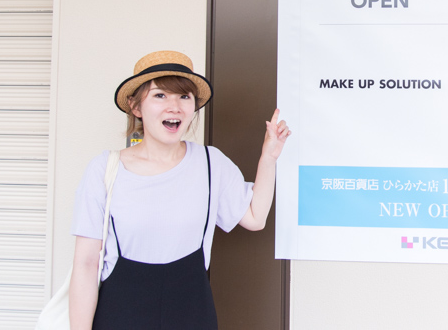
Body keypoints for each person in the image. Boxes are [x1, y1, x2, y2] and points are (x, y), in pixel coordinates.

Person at [68, 50, 290, 329]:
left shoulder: (210, 163)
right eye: (160, 95)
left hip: (191, 316)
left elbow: (255, 217)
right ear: (135, 106)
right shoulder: (104, 169)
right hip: (119, 317)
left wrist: (268, 158)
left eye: (184, 96)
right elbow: (86, 264)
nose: (174, 107)